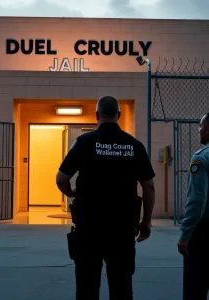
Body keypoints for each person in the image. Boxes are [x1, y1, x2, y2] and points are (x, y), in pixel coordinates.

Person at [56, 96, 156, 300]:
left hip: (88, 227)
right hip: (122, 228)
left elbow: (61, 178)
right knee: (121, 286)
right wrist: (146, 221)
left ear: (96, 116)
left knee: (87, 286)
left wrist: (72, 194)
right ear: (118, 116)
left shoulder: (84, 142)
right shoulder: (134, 145)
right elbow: (149, 186)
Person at [178, 113, 209, 300]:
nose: (199, 130)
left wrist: (185, 235)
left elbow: (197, 200)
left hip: (204, 232)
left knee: (195, 287)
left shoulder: (201, 158)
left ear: (207, 129)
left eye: (200, 126)